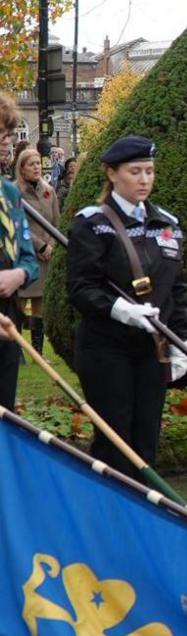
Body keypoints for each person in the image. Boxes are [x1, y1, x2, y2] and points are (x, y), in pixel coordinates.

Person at [66, 135, 187, 476]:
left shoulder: (167, 223)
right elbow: (80, 287)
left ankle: (142, 517)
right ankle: (109, 518)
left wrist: (181, 342)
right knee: (114, 444)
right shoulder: (92, 223)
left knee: (146, 441)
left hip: (151, 348)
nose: (144, 180)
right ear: (112, 173)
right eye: (135, 171)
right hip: (107, 348)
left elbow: (176, 288)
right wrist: (122, 309)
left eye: (149, 171)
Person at [0, 95, 38, 408]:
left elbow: (27, 253)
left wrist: (21, 273)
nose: (8, 142)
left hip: (8, 317)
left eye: (10, 134)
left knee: (5, 416)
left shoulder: (9, 192)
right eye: (1, 135)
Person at [15, 148, 57, 355]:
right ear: (21, 169)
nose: (37, 167)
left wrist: (50, 244)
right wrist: (39, 245)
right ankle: (17, 350)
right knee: (20, 303)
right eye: (32, 164)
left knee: (40, 303)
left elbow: (56, 222)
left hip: (46, 255)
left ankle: (37, 352)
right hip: (24, 255)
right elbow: (18, 225)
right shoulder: (14, 192)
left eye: (38, 163)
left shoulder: (49, 191)